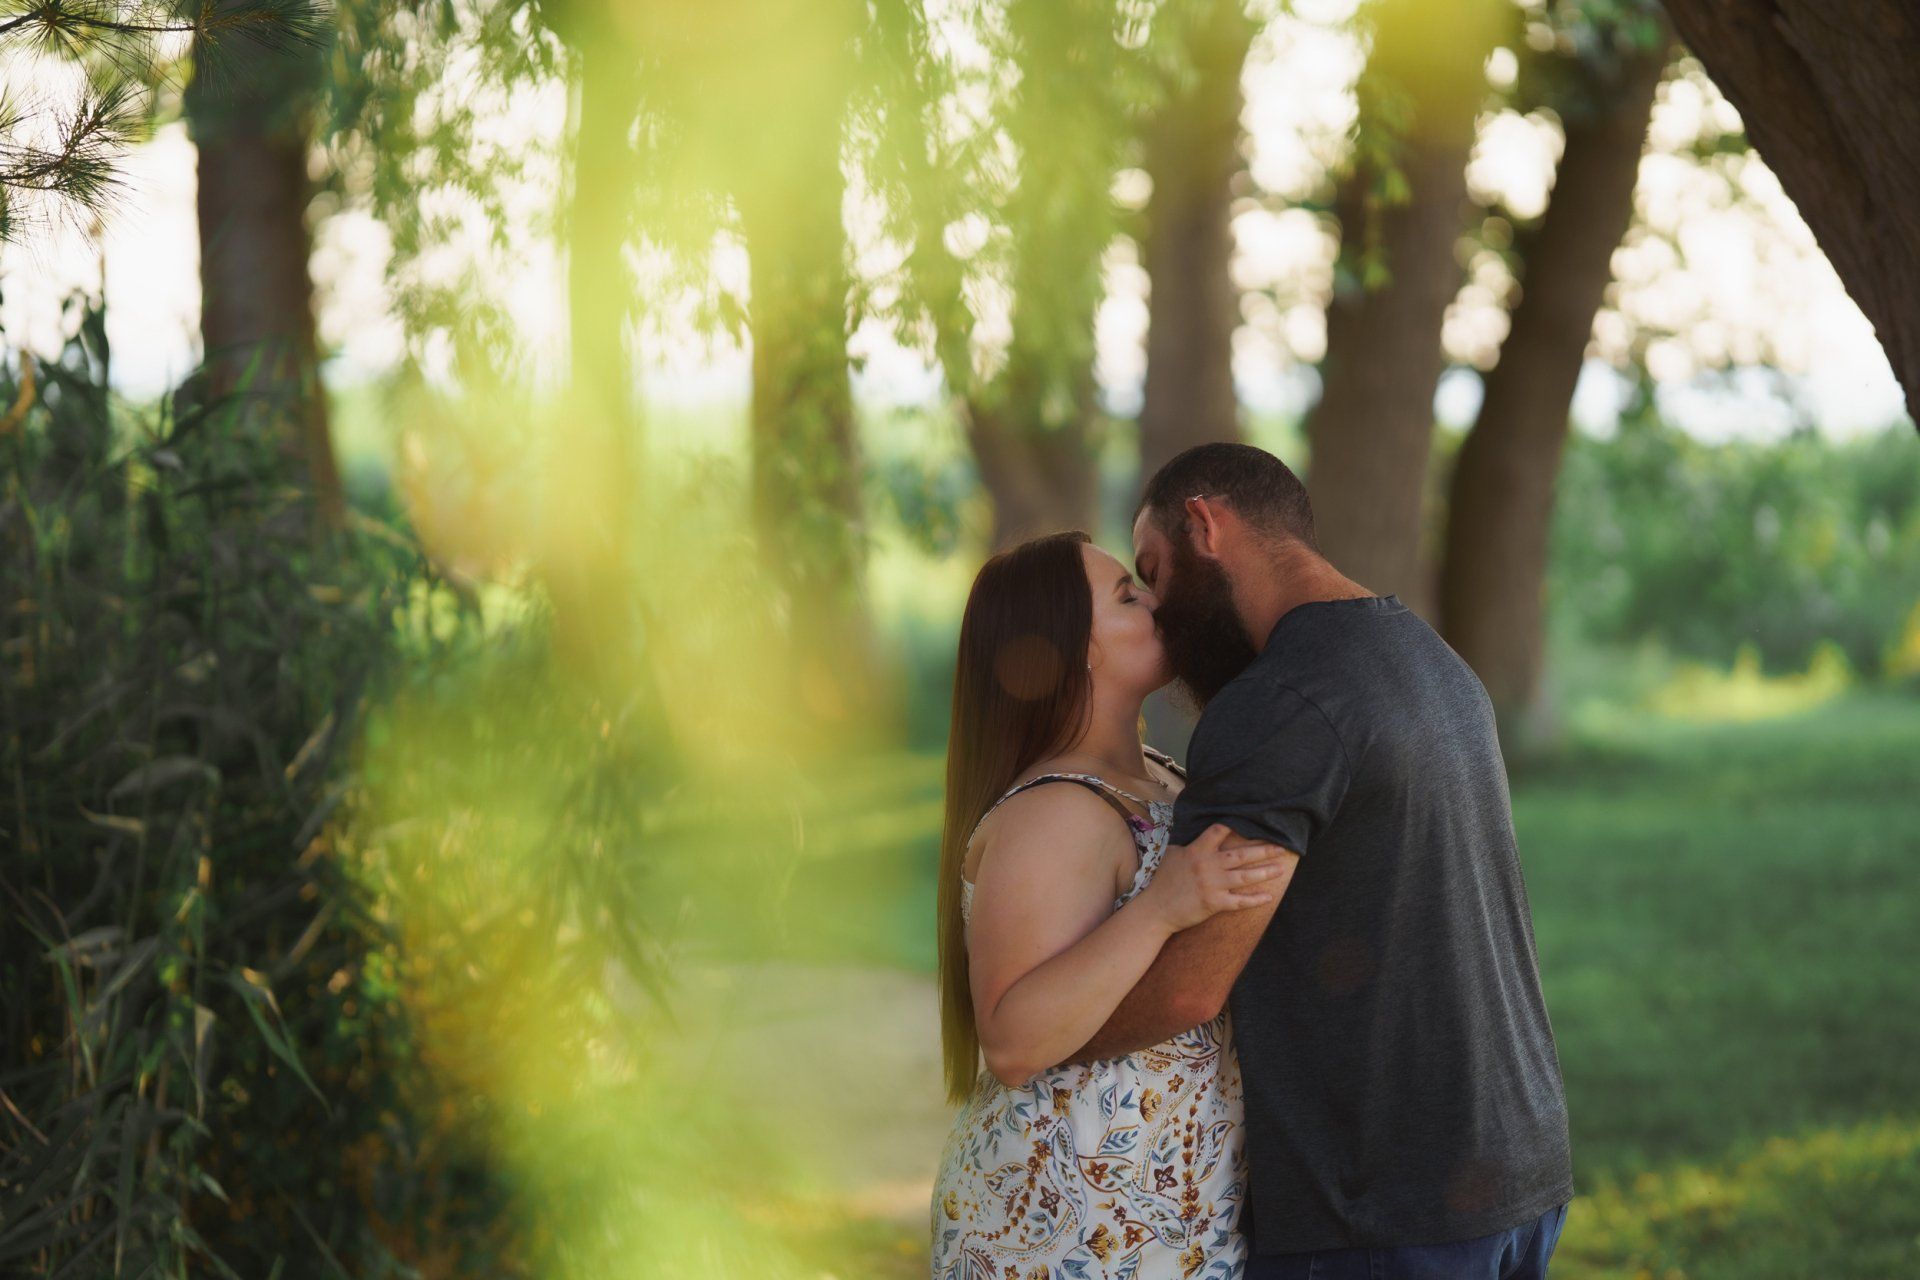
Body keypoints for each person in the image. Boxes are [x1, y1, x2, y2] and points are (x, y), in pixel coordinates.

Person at [1067, 442, 1573, 1279]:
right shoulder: (1430, 659)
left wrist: (1042, 1032)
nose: (1156, 608)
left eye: (1153, 571)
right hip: (1519, 1172)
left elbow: (1192, 986)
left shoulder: (1280, 703)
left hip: (1383, 1207)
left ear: (1205, 525)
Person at [929, 530, 1298, 1280]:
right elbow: (1012, 1041)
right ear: (1075, 647)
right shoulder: (1055, 814)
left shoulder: (1161, 777)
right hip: (1063, 1227)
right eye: (1128, 595)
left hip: (1167, 1211)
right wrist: (1162, 907)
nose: (1157, 601)